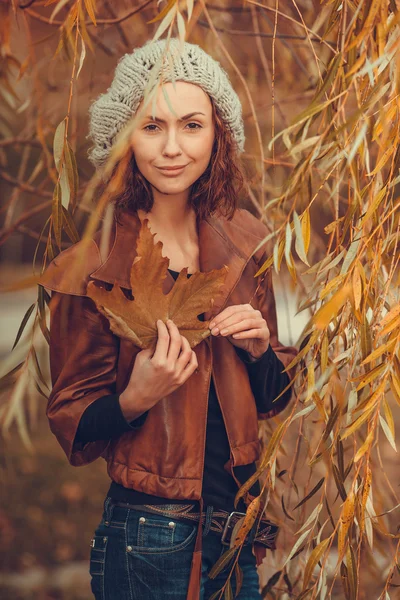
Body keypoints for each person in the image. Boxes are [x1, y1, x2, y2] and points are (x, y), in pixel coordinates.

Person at [40, 38, 298, 600]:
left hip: (238, 535)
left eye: (192, 125)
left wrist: (260, 352)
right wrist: (135, 398)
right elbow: (70, 424)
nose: (173, 148)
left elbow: (277, 397)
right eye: (152, 126)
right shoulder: (92, 268)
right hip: (147, 539)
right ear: (124, 139)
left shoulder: (246, 242)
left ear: (218, 134)